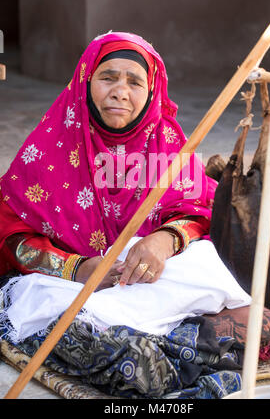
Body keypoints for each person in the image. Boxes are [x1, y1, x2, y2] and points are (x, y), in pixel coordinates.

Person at [0, 32, 218, 290]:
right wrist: (76, 268)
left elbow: (200, 209)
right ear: (86, 82)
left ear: (151, 92)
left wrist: (164, 240)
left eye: (135, 83)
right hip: (69, 288)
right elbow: (10, 234)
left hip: (155, 283)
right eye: (108, 78)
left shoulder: (168, 145)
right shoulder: (50, 148)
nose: (120, 93)